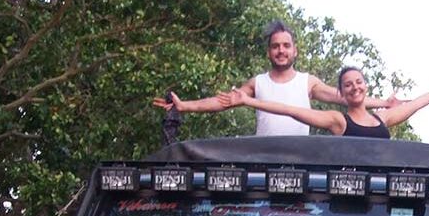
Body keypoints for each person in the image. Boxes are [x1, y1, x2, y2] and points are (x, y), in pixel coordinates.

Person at [152, 21, 400, 136]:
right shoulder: (257, 83)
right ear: (269, 51)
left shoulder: (308, 82)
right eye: (275, 46)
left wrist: (384, 104)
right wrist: (185, 106)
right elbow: (222, 102)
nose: (281, 51)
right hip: (264, 157)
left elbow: (348, 97)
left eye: (286, 46)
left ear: (295, 51)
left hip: (301, 159)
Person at [222, 66, 429, 139]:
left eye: (359, 82)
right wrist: (249, 101)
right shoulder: (338, 120)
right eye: (348, 85)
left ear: (365, 85)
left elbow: (415, 104)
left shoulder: (382, 118)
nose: (355, 87)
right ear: (341, 92)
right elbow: (288, 109)